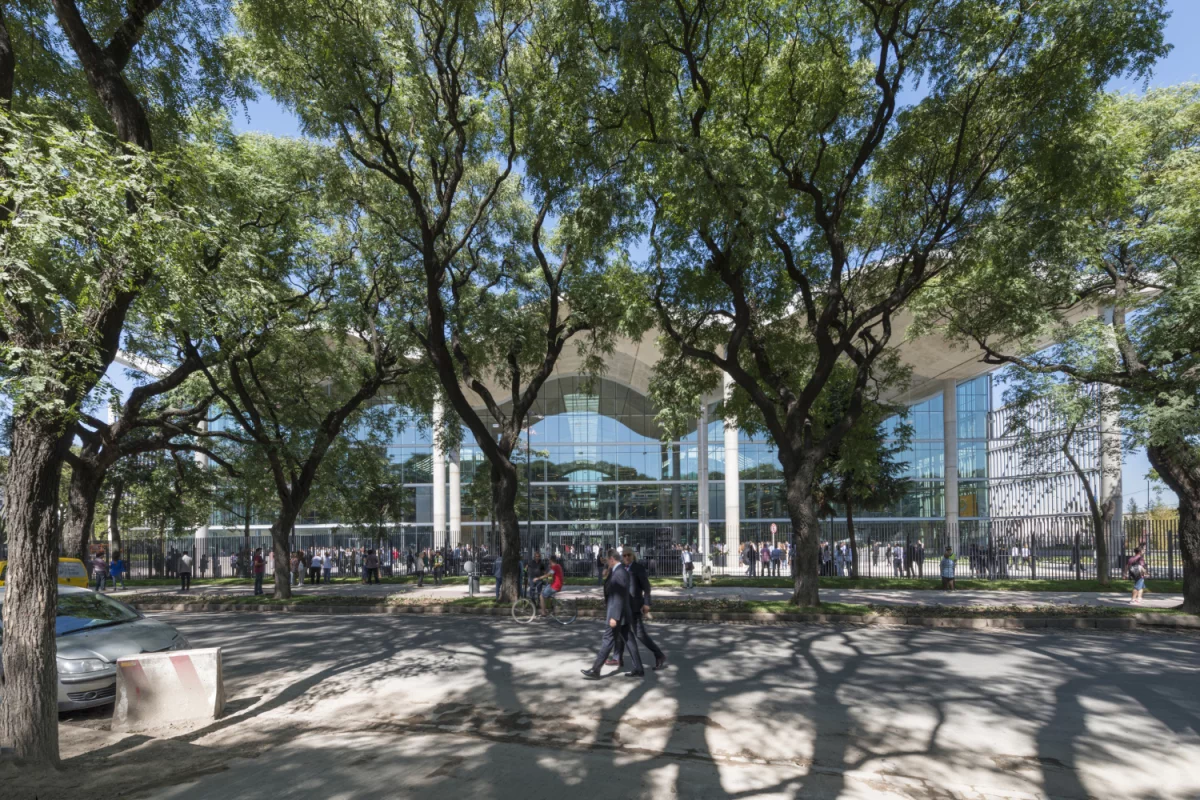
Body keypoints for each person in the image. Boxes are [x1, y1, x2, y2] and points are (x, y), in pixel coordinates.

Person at [581, 549, 643, 679]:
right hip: (624, 613)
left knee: (607, 639)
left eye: (608, 560)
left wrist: (614, 617)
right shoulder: (621, 571)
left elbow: (619, 597)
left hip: (617, 614)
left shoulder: (619, 573)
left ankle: (596, 669)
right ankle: (638, 668)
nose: (607, 563)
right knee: (629, 640)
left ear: (611, 559)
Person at [623, 547, 666, 670]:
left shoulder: (638, 568)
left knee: (640, 634)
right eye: (624, 555)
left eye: (628, 555)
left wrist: (647, 603)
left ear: (633, 556)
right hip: (624, 606)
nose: (626, 557)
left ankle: (659, 655)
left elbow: (647, 587)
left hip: (635, 606)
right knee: (619, 632)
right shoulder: (621, 568)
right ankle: (617, 658)